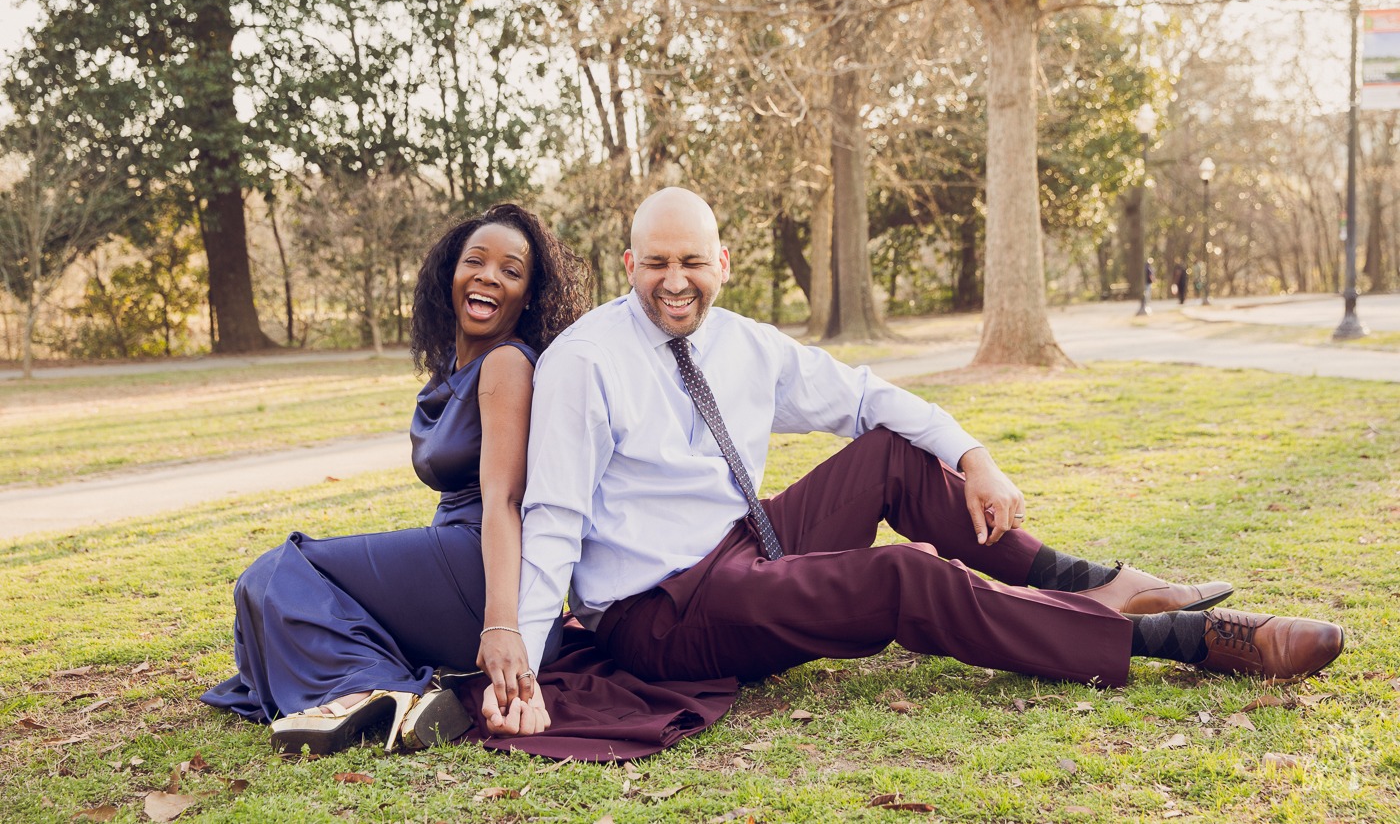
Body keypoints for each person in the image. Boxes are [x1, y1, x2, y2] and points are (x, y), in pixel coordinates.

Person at [513, 187, 1344, 696]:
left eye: (691, 260)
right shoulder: (586, 360)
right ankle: (1184, 641)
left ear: (723, 259)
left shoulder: (743, 342)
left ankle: (1094, 582)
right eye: (655, 261)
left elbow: (867, 395)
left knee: (890, 449)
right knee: (903, 575)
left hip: (745, 546)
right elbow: (551, 515)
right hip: (662, 614)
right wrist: (515, 646)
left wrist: (973, 454)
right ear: (628, 262)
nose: (674, 280)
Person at [202, 203, 591, 753]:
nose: (488, 276)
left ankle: (372, 688)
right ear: (449, 275)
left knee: (276, 572)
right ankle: (382, 689)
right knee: (277, 591)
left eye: (511, 270)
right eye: (475, 261)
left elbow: (505, 499)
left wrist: (505, 626)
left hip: (484, 572)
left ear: (529, 296)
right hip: (460, 563)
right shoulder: (453, 370)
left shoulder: (507, 364)